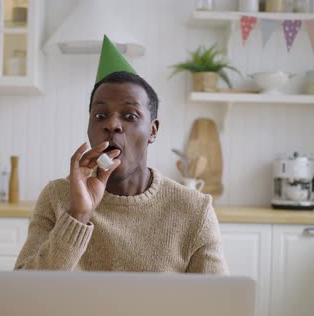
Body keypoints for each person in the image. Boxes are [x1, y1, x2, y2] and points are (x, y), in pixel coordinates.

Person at [14, 36, 228, 274]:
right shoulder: (57, 197)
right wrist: (78, 216)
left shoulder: (194, 210)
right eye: (100, 116)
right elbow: (22, 291)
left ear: (152, 131)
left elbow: (215, 306)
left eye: (130, 116)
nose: (112, 125)